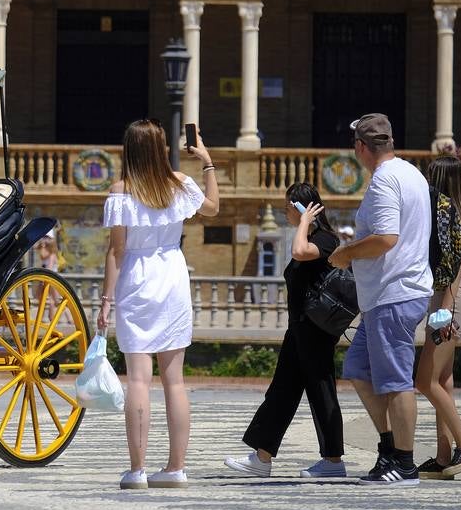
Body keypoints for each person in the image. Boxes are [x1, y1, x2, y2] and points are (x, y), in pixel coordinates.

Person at [98, 119, 220, 490]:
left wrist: (105, 300)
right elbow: (213, 208)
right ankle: (175, 468)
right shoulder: (180, 183)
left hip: (136, 276)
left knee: (138, 377)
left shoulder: (121, 191)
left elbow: (117, 252)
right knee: (175, 380)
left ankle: (137, 471)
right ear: (161, 147)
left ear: (129, 149)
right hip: (172, 273)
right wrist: (208, 161)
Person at [328, 113, 432, 486]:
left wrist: (346, 253)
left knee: (396, 381)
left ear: (360, 147)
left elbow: (386, 237)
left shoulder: (385, 181)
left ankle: (405, 464)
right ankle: (389, 447)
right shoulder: (411, 173)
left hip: (394, 293)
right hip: (388, 295)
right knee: (358, 370)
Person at [224, 182, 346, 479]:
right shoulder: (312, 234)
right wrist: (303, 224)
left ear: (301, 208)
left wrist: (304, 222)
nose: (285, 213)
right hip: (300, 329)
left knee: (321, 390)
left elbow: (300, 251)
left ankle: (333, 460)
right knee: (282, 392)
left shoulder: (327, 239)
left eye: (288, 208)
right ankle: (262, 457)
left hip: (316, 330)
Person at [414, 154, 461, 479]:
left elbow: (453, 276)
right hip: (452, 304)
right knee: (442, 381)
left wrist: (442, 315)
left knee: (424, 380)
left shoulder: (452, 220)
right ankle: (443, 457)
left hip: (449, 305)